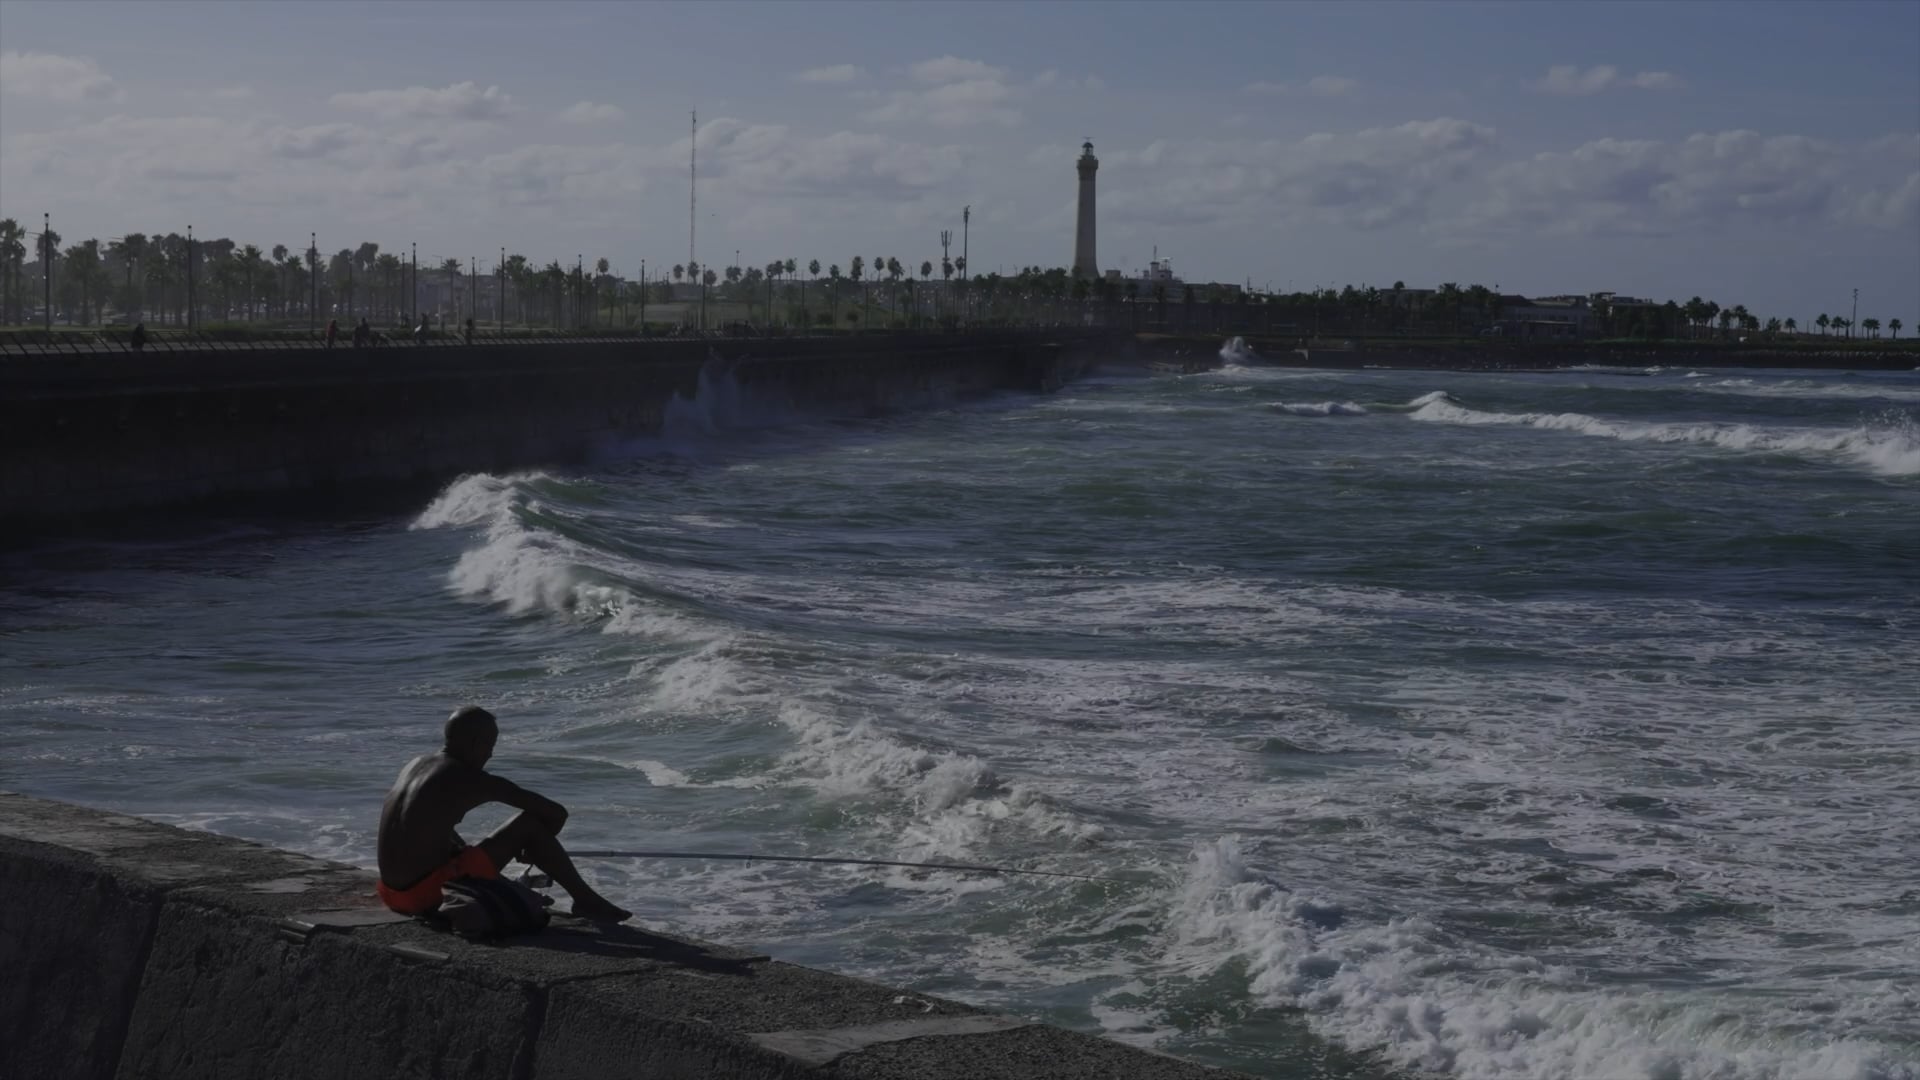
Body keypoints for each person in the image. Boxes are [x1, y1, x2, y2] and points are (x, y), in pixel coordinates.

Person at [376, 706, 632, 923]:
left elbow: (419, 825)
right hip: (427, 896)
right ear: (476, 744)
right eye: (490, 746)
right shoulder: (471, 778)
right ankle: (587, 901)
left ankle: (514, 885)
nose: (490, 754)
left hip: (390, 893)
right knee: (529, 824)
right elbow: (556, 813)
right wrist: (531, 850)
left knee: (461, 845)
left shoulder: (415, 764)